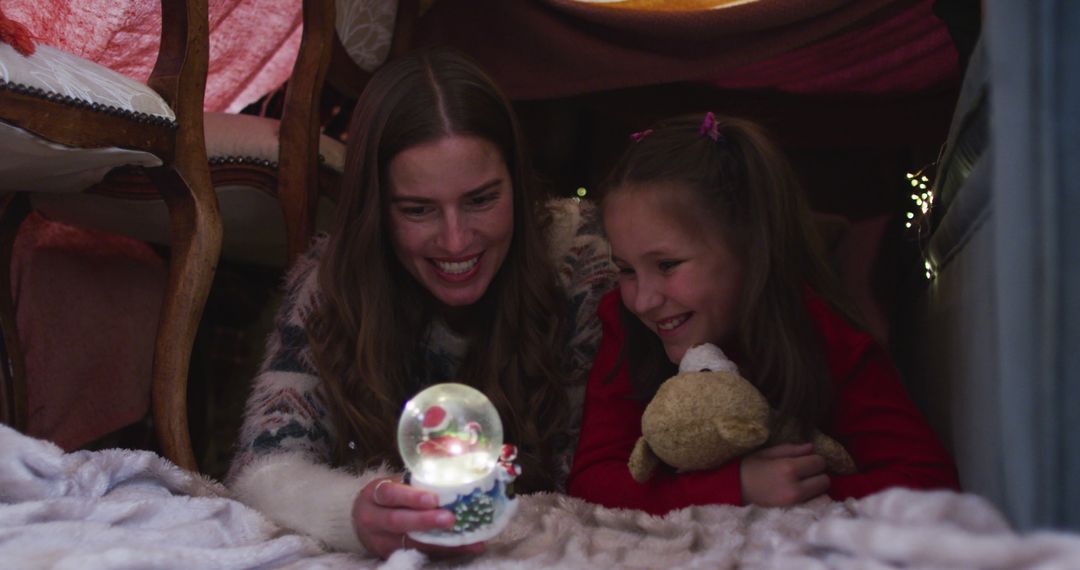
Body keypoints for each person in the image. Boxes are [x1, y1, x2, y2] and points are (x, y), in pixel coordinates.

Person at [227, 48, 616, 558]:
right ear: (378, 211)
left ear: (517, 186)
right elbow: (261, 470)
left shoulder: (579, 264)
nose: (456, 242)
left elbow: (598, 477)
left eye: (481, 200)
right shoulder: (331, 283)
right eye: (418, 210)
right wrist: (354, 512)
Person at [567, 112, 960, 515]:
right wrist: (735, 487)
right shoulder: (624, 323)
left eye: (667, 265)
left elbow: (928, 480)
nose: (644, 300)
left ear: (751, 251)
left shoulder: (820, 332)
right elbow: (592, 479)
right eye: (627, 270)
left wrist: (800, 488)